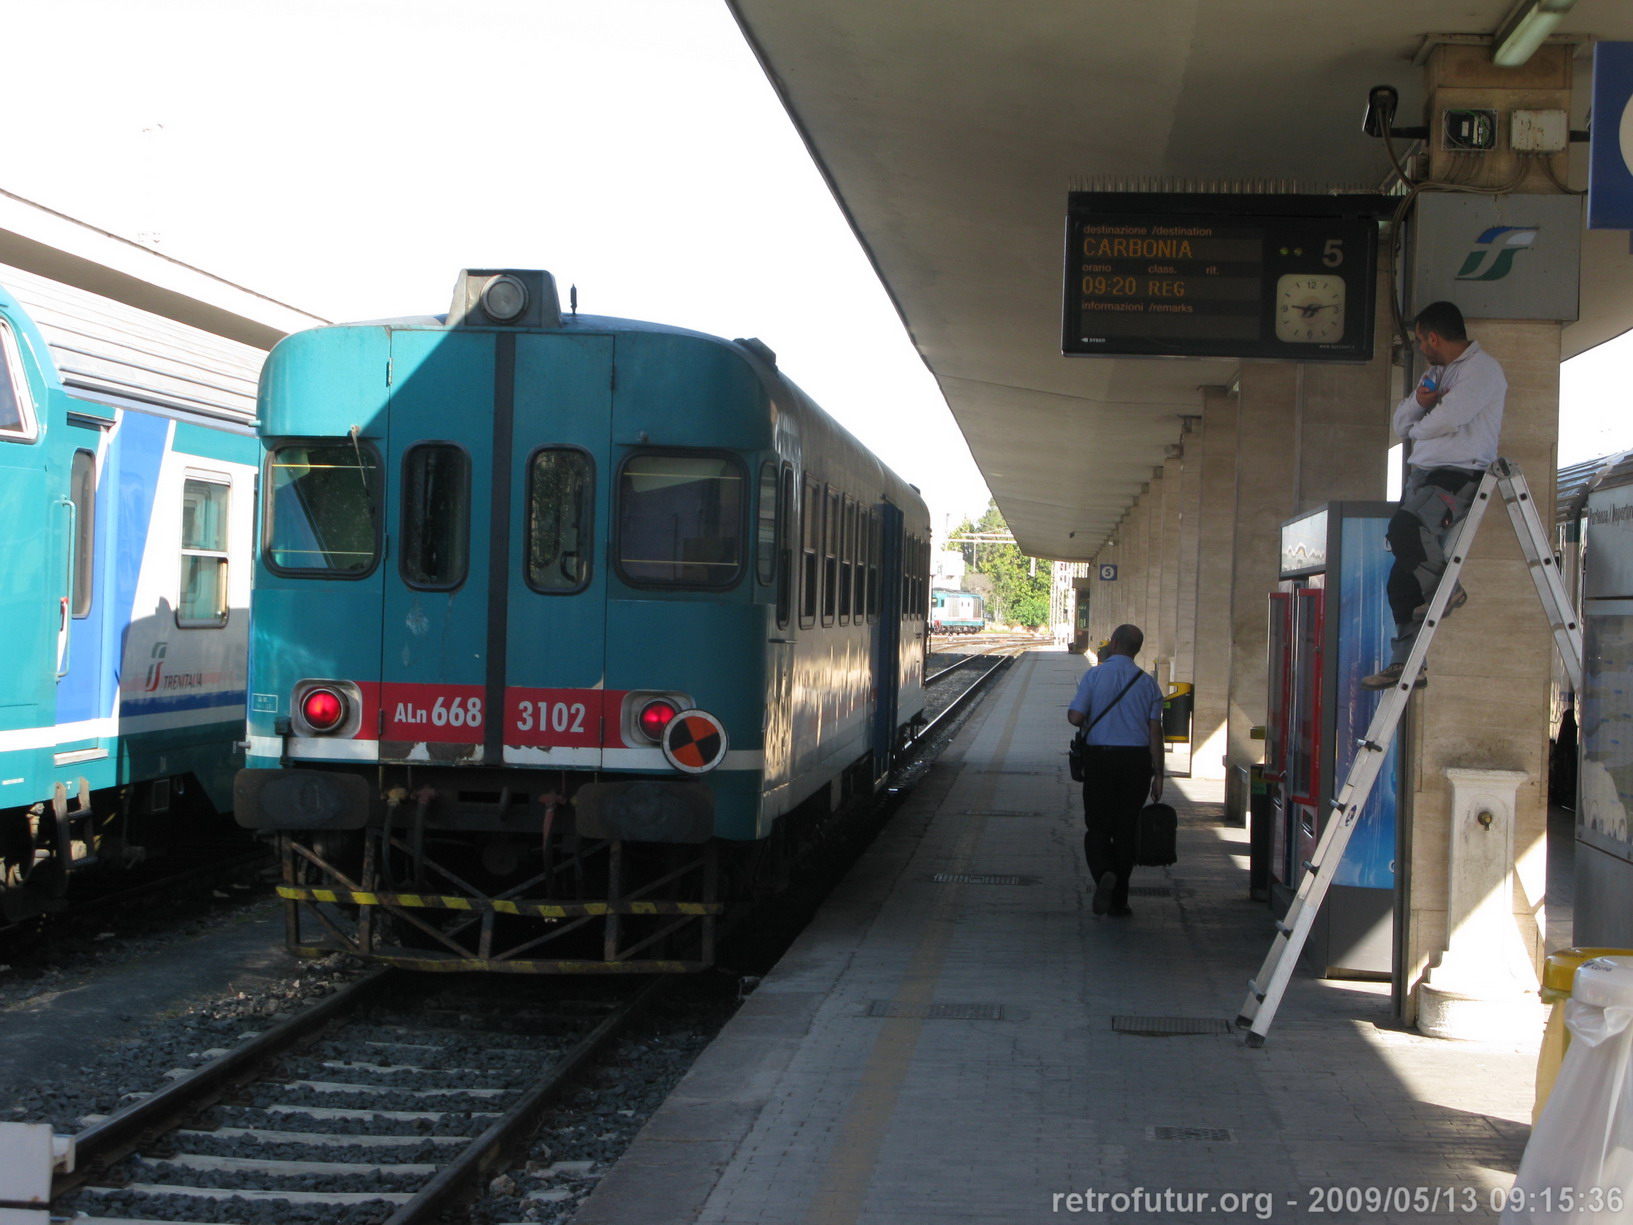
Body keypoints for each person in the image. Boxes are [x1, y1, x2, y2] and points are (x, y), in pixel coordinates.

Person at [1362, 301, 1506, 691]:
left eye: (1421, 340)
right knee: (1400, 582)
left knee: (1406, 530)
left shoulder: (1481, 371)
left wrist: (1420, 426)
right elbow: (1401, 422)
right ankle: (1407, 664)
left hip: (1456, 474)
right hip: (1424, 476)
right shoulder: (1437, 373)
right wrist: (1420, 405)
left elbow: (1445, 421)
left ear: (1432, 336)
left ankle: (1447, 592)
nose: (1421, 347)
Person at [1066, 623, 1165, 916]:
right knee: (1125, 830)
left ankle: (1104, 873)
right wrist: (1158, 775)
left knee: (1097, 828)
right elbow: (1155, 733)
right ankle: (1119, 901)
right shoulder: (1148, 683)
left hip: (1101, 761)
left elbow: (1075, 717)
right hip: (1137, 764)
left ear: (1116, 643)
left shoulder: (1095, 676)